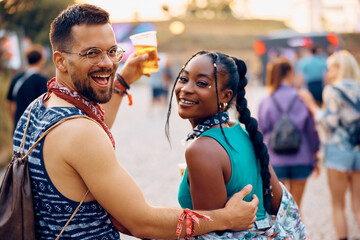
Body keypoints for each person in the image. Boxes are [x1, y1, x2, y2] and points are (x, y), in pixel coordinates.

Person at [12, 4, 260, 239]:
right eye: (92, 53)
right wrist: (225, 218)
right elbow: (142, 222)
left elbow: (93, 125)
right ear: (60, 61)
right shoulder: (80, 133)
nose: (108, 63)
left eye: (111, 51)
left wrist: (124, 79)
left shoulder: (40, 107)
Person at [165, 51, 308, 239]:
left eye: (201, 83)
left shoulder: (201, 150)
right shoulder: (243, 131)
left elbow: (211, 235)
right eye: (183, 79)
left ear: (226, 96)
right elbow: (277, 203)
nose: (186, 89)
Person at [299, 50, 360, 240]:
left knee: (338, 205)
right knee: (358, 204)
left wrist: (313, 106)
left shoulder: (332, 90)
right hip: (358, 150)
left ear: (338, 69)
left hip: (338, 151)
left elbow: (331, 122)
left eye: (330, 68)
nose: (327, 73)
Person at [257, 56, 320, 212]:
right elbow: (311, 130)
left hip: (275, 160)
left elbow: (261, 131)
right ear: (290, 72)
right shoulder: (302, 97)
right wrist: (315, 154)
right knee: (296, 209)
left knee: (280, 211)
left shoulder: (267, 100)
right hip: (302, 157)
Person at [6, 44, 48, 132]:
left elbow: (9, 102)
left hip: (18, 127)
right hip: (36, 129)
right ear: (41, 61)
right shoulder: (42, 81)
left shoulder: (17, 78)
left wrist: (16, 119)